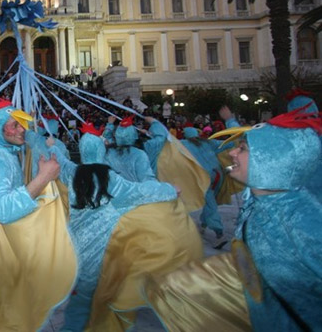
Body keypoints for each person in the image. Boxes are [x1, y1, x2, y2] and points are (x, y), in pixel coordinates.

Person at [145, 108, 322, 331]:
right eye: (239, 147)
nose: (232, 153)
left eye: (243, 149)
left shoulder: (302, 221)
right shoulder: (259, 203)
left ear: (272, 160)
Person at [54, 126, 201, 331]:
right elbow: (143, 190)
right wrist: (170, 189)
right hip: (107, 256)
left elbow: (58, 158)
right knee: (115, 304)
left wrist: (41, 140)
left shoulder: (72, 173)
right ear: (102, 151)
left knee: (80, 305)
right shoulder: (112, 180)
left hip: (77, 254)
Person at [0, 98, 76, 331]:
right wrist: (43, 178)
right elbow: (3, 210)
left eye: (23, 125)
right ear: (0, 129)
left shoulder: (3, 150)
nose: (22, 130)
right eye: (15, 125)